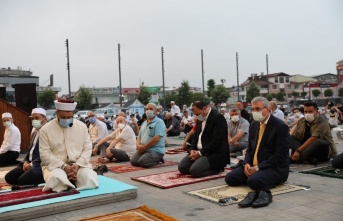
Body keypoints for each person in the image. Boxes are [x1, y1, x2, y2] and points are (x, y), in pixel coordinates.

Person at [225, 97, 290, 208]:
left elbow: (280, 156)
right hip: (254, 165)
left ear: (268, 109)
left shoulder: (280, 126)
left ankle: (264, 191)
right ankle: (257, 178)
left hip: (273, 167)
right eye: (253, 109)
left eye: (258, 109)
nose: (255, 112)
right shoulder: (254, 125)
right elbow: (250, 148)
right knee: (230, 178)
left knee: (253, 181)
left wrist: (257, 168)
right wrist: (246, 163)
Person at [40, 99, 98, 192]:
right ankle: (69, 180)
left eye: (69, 117)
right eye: (63, 117)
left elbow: (87, 148)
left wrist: (78, 165)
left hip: (78, 165)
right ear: (57, 113)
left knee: (89, 178)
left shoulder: (82, 126)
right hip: (56, 166)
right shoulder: (45, 129)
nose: (66, 119)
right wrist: (64, 167)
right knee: (56, 179)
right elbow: (44, 154)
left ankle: (73, 179)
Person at [178, 101, 228, 178]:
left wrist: (200, 153)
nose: (196, 116)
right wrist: (192, 149)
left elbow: (217, 140)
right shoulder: (200, 118)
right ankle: (201, 164)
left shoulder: (217, 118)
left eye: (197, 114)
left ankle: (217, 169)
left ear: (204, 109)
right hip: (199, 151)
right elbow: (195, 136)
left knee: (195, 171)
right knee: (182, 168)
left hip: (213, 153)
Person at [5, 108, 46, 185]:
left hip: (40, 164)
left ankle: (45, 179)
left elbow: (45, 154)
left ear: (44, 119)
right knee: (9, 177)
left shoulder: (47, 132)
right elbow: (30, 150)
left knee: (22, 180)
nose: (34, 120)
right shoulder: (34, 131)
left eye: (37, 118)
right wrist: (25, 162)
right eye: (32, 118)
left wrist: (31, 165)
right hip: (28, 162)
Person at [130, 103, 166, 168]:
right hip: (143, 149)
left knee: (143, 162)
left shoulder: (159, 122)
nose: (148, 111)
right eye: (147, 109)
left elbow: (156, 138)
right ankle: (149, 158)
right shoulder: (144, 123)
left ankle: (158, 159)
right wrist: (138, 146)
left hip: (155, 150)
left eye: (151, 109)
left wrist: (144, 147)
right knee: (133, 161)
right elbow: (139, 137)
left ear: (156, 111)